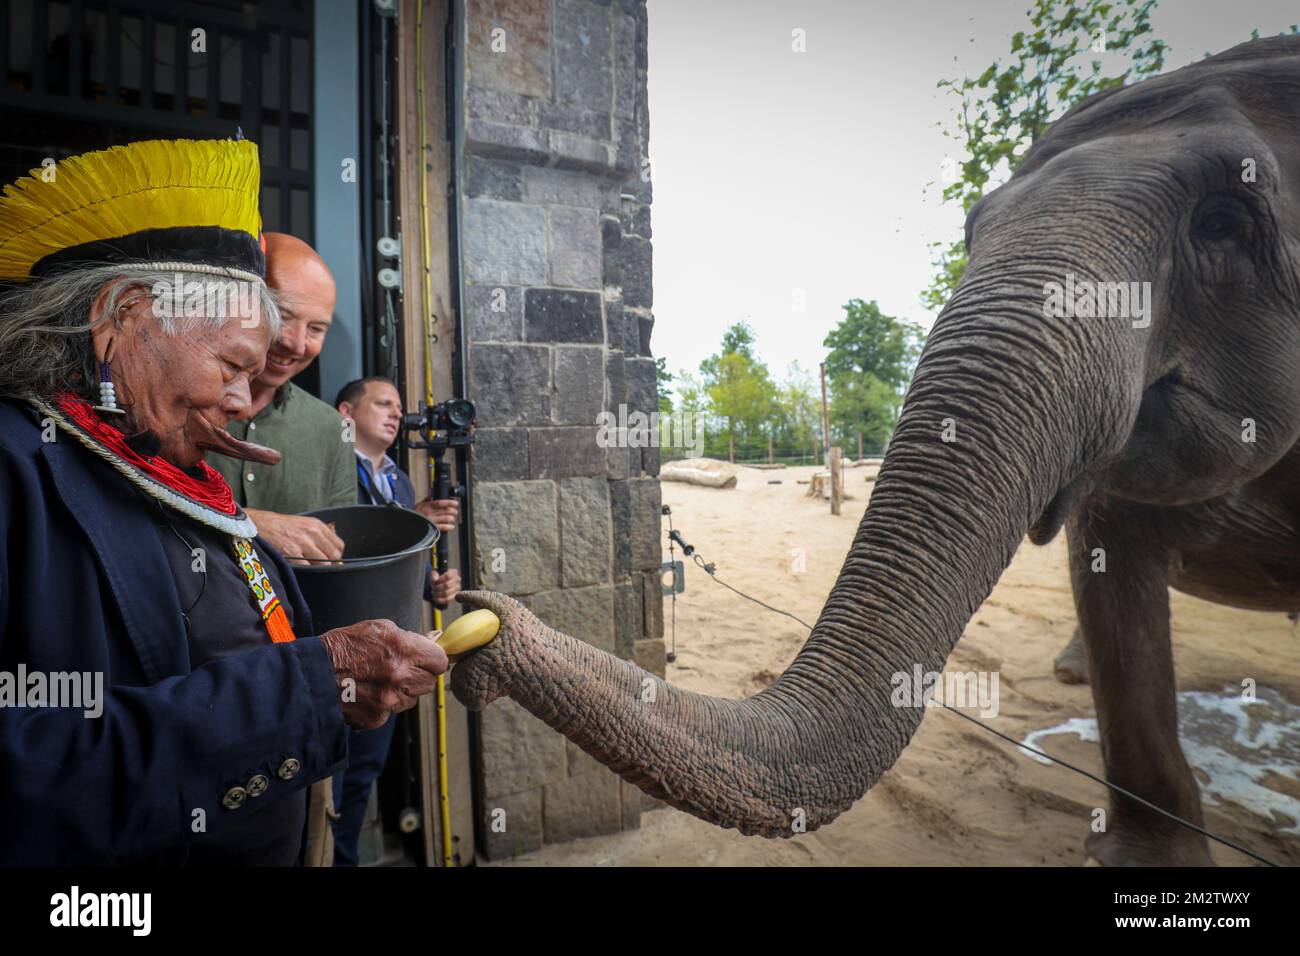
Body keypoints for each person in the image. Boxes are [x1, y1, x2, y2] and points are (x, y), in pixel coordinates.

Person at [0, 138, 448, 865]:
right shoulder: (19, 471)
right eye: (232, 365)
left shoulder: (157, 467)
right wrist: (302, 691)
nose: (245, 400)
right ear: (120, 319)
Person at [332, 375, 461, 865]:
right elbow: (342, 545)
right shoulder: (335, 467)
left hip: (391, 651)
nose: (395, 413)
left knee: (363, 774)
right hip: (341, 645)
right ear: (346, 413)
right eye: (382, 403)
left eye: (398, 406)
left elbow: (400, 566)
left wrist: (432, 584)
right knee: (325, 780)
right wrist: (416, 518)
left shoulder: (398, 479)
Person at [207, 232, 353, 563]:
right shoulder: (176, 403)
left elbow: (338, 550)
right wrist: (247, 523)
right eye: (282, 316)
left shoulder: (331, 428)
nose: (297, 345)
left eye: (316, 329)